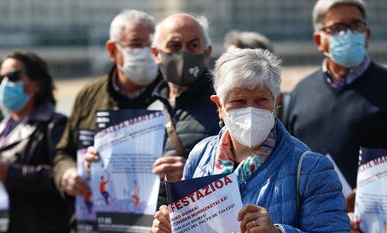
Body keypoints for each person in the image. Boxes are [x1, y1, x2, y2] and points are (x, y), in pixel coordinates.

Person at [151, 48, 350, 233]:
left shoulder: (310, 168)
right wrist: (170, 227)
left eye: (261, 100)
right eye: (239, 101)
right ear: (219, 106)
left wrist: (278, 232)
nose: (251, 110)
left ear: (276, 102)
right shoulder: (200, 156)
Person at [284, 1, 387, 228]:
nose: (348, 33)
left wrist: (373, 193)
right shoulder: (301, 92)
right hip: (314, 223)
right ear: (319, 40)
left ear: (367, 35)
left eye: (356, 25)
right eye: (338, 27)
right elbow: (288, 159)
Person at [53, 10, 161, 198]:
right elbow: (64, 153)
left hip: (152, 216)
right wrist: (67, 174)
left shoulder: (171, 93)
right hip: (96, 214)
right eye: (136, 44)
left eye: (151, 45)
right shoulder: (89, 94)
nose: (145, 52)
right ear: (112, 50)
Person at [0, 52, 71, 233]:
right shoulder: (1, 128)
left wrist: (11, 173)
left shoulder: (55, 125)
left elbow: (62, 176)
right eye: (0, 79)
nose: (5, 84)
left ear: (37, 84)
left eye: (13, 77)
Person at [149, 13, 220, 206]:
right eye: (174, 45)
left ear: (207, 53)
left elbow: (246, 173)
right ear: (156, 54)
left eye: (193, 45)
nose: (183, 53)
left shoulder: (223, 105)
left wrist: (192, 173)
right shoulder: (150, 108)